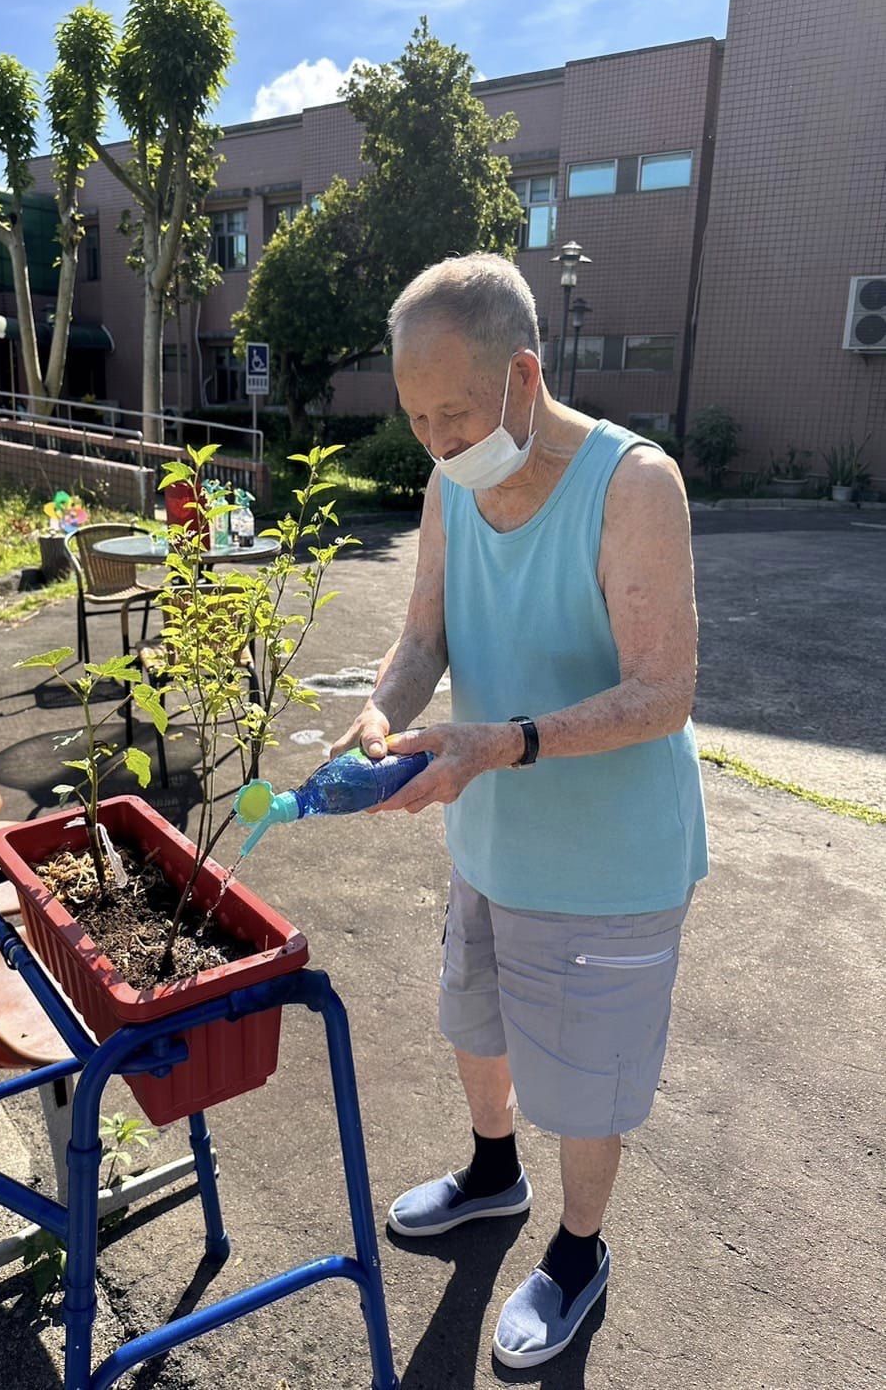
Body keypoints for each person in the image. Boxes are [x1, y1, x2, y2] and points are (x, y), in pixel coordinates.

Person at [330, 252, 708, 1370]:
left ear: (523, 375)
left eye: (453, 412)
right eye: (415, 420)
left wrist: (503, 743)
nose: (437, 442)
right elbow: (425, 637)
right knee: (475, 1020)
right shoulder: (452, 479)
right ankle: (491, 1178)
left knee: (587, 1079)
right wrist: (379, 709)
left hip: (608, 859)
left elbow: (662, 693)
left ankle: (578, 1251)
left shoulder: (633, 483)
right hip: (487, 832)